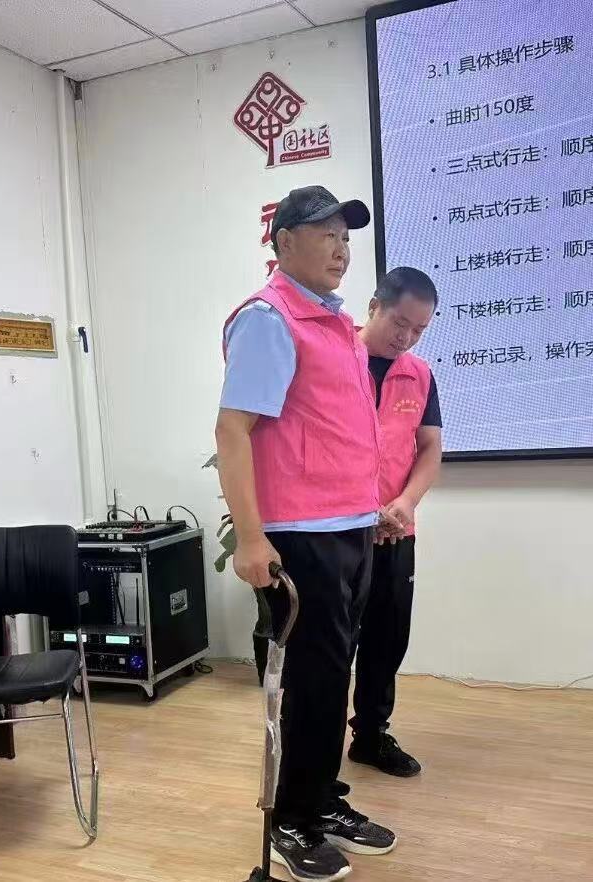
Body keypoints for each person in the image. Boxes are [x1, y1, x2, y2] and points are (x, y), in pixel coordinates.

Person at [215, 185, 397, 882]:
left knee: (332, 674)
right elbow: (233, 431)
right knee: (312, 682)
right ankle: (291, 818)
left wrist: (372, 506)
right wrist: (250, 539)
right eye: (326, 234)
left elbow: (332, 429)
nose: (341, 249)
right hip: (299, 536)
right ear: (284, 242)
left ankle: (321, 798)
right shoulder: (268, 320)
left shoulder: (333, 322)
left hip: (348, 527)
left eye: (346, 237)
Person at [348, 267, 443, 778]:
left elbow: (429, 450)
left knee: (387, 637)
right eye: (400, 323)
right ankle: (313, 747)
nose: (406, 337)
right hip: (339, 530)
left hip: (394, 531)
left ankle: (370, 735)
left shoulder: (420, 375)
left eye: (419, 330)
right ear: (374, 307)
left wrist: (406, 502)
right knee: (331, 642)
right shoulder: (335, 359)